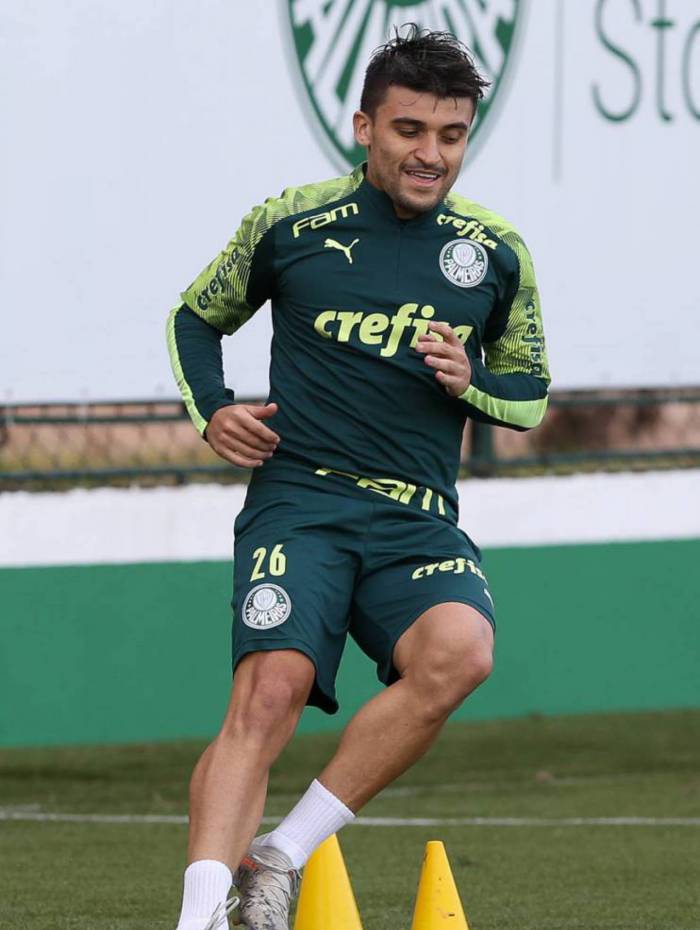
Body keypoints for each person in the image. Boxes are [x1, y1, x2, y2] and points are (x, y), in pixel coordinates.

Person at [166, 24, 550, 930]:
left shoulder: (495, 252)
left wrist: (473, 383)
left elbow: (529, 396)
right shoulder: (290, 224)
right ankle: (196, 921)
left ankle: (277, 858)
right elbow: (195, 317)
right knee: (272, 688)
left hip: (417, 517)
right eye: (410, 130)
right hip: (301, 499)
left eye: (451, 135)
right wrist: (213, 407)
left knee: (463, 653)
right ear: (364, 126)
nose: (431, 154)